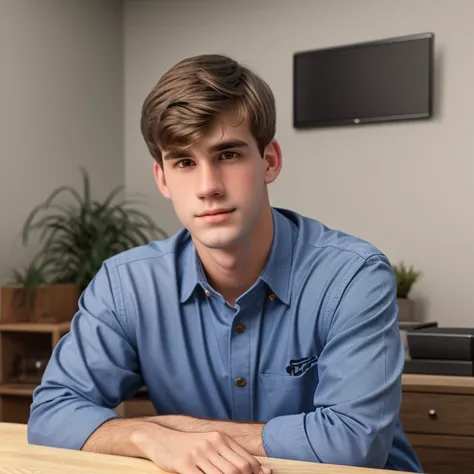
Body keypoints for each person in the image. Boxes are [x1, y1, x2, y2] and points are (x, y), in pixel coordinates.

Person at [28, 54, 423, 473]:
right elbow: (52, 414)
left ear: (269, 161)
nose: (208, 187)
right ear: (162, 178)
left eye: (228, 154)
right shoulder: (127, 284)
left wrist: (187, 431)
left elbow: (353, 445)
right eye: (183, 161)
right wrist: (149, 434)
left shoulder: (353, 277)